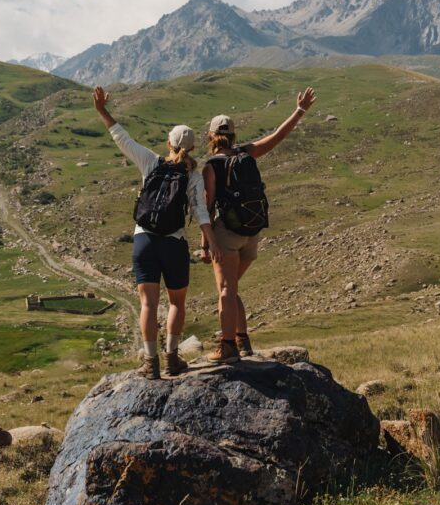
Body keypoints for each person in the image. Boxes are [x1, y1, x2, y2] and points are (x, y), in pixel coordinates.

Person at [93, 86, 222, 379]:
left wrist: (102, 110)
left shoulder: (151, 162)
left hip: (144, 240)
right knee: (176, 302)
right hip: (173, 244)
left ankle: (150, 363)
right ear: (191, 149)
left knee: (148, 304)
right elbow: (201, 211)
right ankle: (172, 359)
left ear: (169, 143)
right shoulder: (193, 174)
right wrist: (210, 241)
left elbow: (121, 138)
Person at [202, 87, 317, 364]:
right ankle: (243, 342)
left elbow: (206, 207)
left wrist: (206, 244)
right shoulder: (247, 152)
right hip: (251, 235)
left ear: (211, 136)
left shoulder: (212, 166)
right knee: (231, 288)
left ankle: (227, 345)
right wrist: (299, 110)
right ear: (232, 135)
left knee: (226, 291)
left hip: (228, 235)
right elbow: (278, 136)